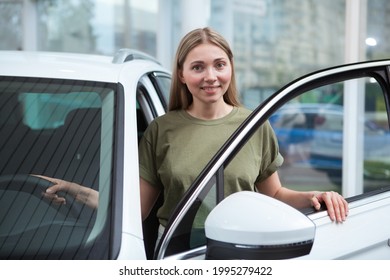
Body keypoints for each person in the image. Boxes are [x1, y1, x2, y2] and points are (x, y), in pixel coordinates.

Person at [41, 27, 348, 232]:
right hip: (177, 253)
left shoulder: (254, 125)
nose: (211, 76)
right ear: (183, 75)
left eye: (219, 64)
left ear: (230, 67)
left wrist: (316, 196)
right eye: (198, 67)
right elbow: (137, 210)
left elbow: (276, 194)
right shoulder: (162, 130)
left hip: (245, 249)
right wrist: (76, 191)